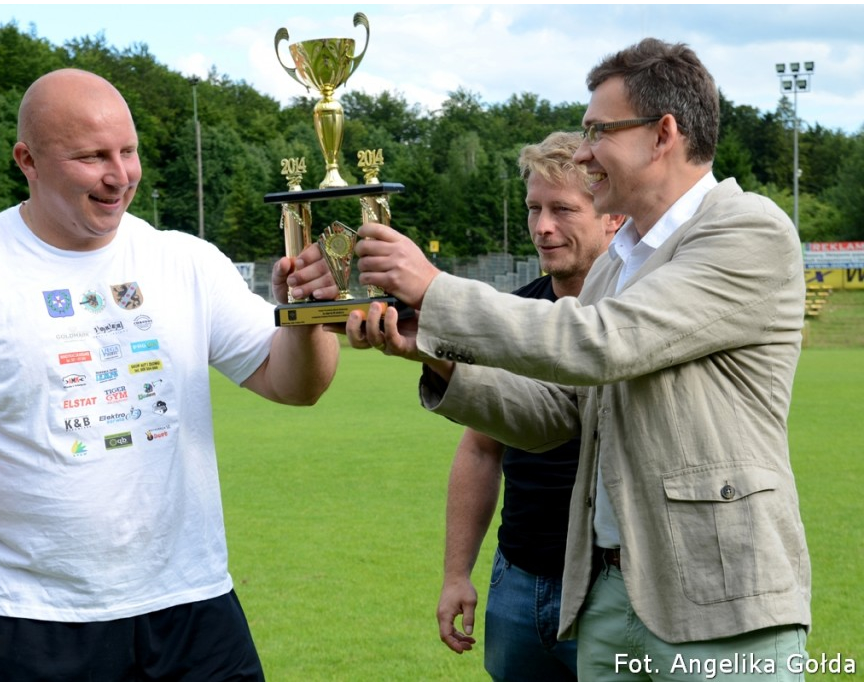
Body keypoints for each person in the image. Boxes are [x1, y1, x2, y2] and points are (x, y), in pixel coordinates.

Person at [291, 38, 811, 681]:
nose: (585, 150)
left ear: (663, 134)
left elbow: (602, 341)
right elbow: (555, 411)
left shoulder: (746, 231)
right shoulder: (621, 263)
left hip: (719, 596)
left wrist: (437, 288)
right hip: (606, 593)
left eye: (600, 130)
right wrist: (430, 345)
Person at [0, 68, 339, 682]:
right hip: (28, 623)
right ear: (27, 160)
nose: (119, 175)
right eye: (91, 157)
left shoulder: (184, 261)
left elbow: (295, 385)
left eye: (128, 150)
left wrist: (303, 317)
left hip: (194, 605)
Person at [437, 132, 622, 682]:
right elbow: (478, 448)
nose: (542, 226)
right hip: (517, 579)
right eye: (534, 209)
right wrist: (456, 574)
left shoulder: (638, 315)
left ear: (612, 215)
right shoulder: (513, 313)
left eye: (563, 209)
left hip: (612, 584)